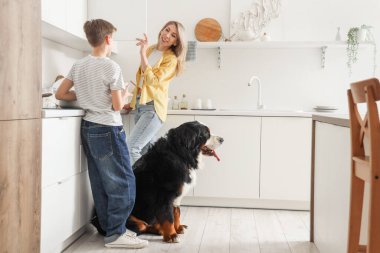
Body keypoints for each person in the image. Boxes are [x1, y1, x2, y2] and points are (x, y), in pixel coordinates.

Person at [55, 19, 148, 249]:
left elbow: (60, 93)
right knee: (124, 182)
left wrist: (87, 96)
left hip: (88, 127)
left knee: (100, 182)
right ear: (108, 39)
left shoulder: (79, 65)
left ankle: (109, 229)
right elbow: (117, 106)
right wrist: (125, 94)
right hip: (108, 128)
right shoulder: (111, 67)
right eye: (113, 38)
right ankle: (116, 235)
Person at [124, 21, 187, 165]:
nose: (167, 35)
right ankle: (156, 184)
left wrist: (142, 53)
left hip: (153, 109)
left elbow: (152, 81)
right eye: (167, 30)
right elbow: (142, 81)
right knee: (149, 152)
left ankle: (143, 184)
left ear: (176, 42)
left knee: (131, 147)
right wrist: (132, 102)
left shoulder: (171, 59)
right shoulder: (151, 49)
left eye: (173, 35)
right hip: (140, 106)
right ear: (162, 30)